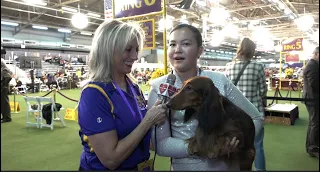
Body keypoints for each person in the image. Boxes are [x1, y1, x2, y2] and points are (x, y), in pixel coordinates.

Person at [148, 24, 264, 171]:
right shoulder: (159, 87)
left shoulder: (219, 80)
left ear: (200, 51)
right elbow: (161, 144)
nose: (177, 49)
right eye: (172, 44)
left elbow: (256, 118)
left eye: (186, 44)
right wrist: (204, 147)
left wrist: (238, 141)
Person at [77, 20, 167, 170]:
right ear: (108, 49)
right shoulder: (93, 94)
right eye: (128, 49)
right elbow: (111, 160)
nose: (135, 56)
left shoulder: (133, 87)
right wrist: (148, 121)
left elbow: (145, 138)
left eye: (137, 49)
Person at [226, 37, 268, 171]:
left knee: (235, 145)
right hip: (254, 114)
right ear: (253, 51)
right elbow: (263, 90)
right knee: (257, 145)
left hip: (234, 114)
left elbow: (226, 92)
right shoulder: (258, 66)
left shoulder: (229, 66)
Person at [303, 46, 319, 159]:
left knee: (313, 123)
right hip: (312, 98)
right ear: (317, 54)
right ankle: (312, 148)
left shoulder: (313, 65)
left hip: (312, 98)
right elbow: (314, 84)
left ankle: (311, 146)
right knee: (315, 123)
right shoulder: (312, 66)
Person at [1, 58, 13, 123]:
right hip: (3, 88)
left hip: (4, 88)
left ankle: (7, 117)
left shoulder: (4, 69)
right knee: (3, 103)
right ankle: (4, 117)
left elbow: (9, 77)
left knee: (5, 103)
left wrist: (4, 84)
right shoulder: (2, 69)